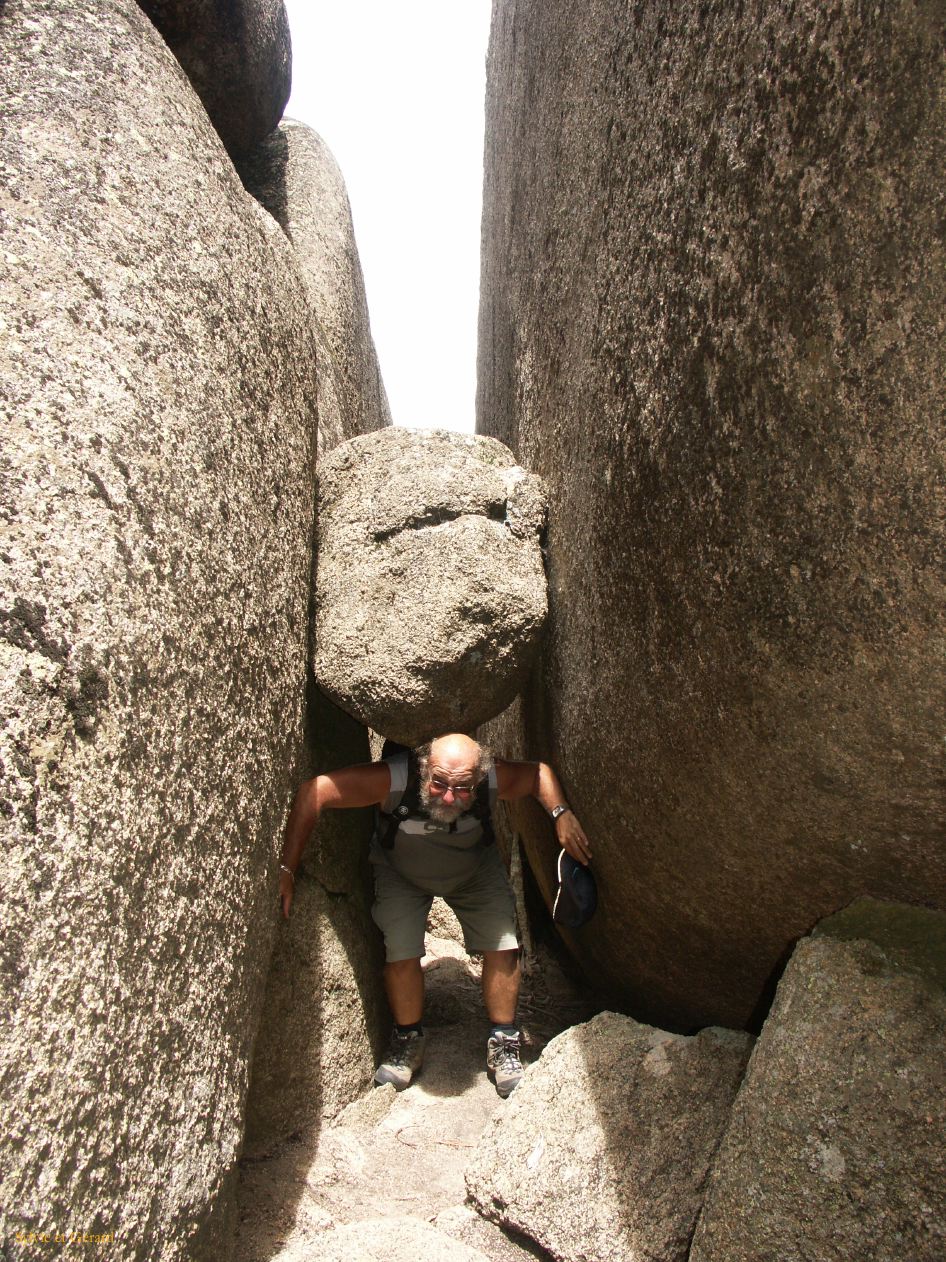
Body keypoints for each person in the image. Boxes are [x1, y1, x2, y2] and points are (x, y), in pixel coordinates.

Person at [278, 732, 591, 1097]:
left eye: (462, 789)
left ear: (479, 777)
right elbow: (314, 792)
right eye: (439, 783)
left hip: (473, 871)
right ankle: (407, 1038)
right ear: (424, 767)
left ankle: (504, 1041)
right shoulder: (394, 778)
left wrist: (561, 814)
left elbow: (538, 774)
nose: (449, 797)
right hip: (401, 873)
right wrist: (287, 870)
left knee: (503, 946)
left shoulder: (491, 779)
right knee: (401, 952)